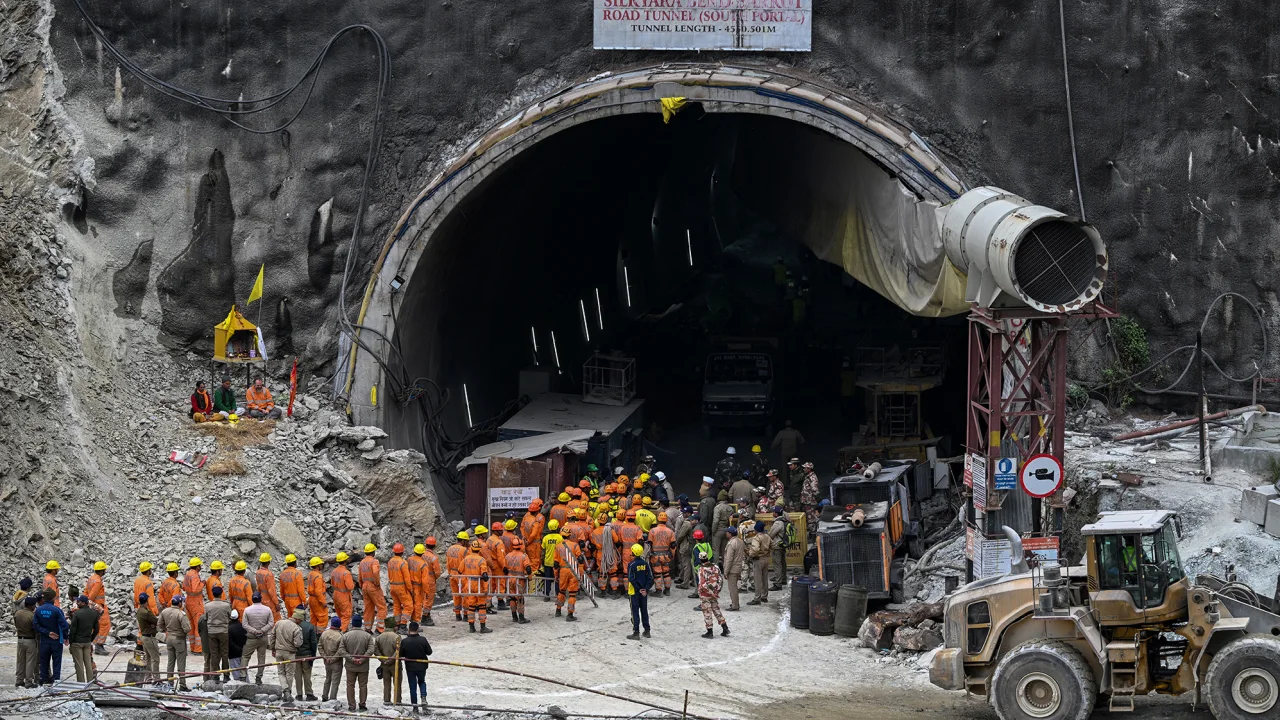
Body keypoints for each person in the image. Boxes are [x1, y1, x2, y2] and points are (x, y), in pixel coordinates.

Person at [340, 615, 376, 712]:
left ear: (352, 623)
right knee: (363, 685)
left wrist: (352, 659)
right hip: (363, 666)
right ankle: (362, 704)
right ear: (361, 624)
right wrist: (362, 659)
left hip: (350, 666)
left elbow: (341, 650)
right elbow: (371, 649)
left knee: (350, 685)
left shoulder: (346, 636)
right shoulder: (367, 636)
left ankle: (352, 705)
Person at [268, 604, 303, 704]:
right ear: (298, 619)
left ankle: (285, 690)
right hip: (290, 654)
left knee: (280, 672)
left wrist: (272, 649)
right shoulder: (296, 628)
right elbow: (297, 644)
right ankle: (288, 692)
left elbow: (272, 636)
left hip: (278, 652)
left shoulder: (279, 623)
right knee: (289, 674)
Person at [34, 589, 69, 685]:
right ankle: (56, 680)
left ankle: (44, 679)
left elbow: (35, 626)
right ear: (53, 598)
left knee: (44, 661)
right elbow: (65, 626)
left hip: (44, 640)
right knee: (56, 661)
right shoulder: (57, 610)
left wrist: (47, 633)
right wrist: (66, 637)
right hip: (56, 640)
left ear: (44, 598)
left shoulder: (38, 610)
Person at [242, 592, 275, 685]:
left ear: (252, 599)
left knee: (245, 657)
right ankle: (258, 678)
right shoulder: (267, 609)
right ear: (261, 599)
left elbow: (244, 624)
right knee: (261, 658)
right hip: (263, 637)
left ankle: (243, 676)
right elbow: (271, 623)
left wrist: (254, 631)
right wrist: (262, 630)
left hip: (251, 638)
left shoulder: (247, 610)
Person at [400, 621, 433, 713]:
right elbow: (429, 652)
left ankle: (415, 706)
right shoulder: (423, 639)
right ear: (417, 629)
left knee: (412, 686)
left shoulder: (405, 641)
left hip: (410, 667)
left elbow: (401, 654)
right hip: (422, 666)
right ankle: (423, 697)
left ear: (409, 629)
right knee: (422, 682)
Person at [160, 595, 192, 690]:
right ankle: (182, 685)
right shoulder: (181, 614)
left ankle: (170, 683)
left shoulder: (165, 611)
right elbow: (187, 629)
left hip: (169, 638)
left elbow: (159, 625)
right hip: (179, 640)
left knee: (170, 662)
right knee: (181, 664)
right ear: (179, 603)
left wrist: (167, 629)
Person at [461, 540, 492, 633]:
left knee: (471, 607)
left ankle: (471, 627)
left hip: (469, 585)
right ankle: (483, 627)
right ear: (479, 549)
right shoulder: (482, 560)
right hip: (479, 586)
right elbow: (484, 575)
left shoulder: (466, 559)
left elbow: (459, 570)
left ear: (471, 548)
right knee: (482, 607)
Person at [696, 552, 729, 639]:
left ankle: (709, 632)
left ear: (700, 559)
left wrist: (710, 592)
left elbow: (703, 584)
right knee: (716, 609)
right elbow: (720, 580)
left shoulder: (701, 569)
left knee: (707, 612)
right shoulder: (716, 567)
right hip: (715, 592)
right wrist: (716, 592)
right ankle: (725, 627)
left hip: (705, 594)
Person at [68, 595, 100, 682]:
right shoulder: (94, 613)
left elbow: (72, 630)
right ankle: (90, 682)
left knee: (79, 665)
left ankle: (81, 684)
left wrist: (71, 642)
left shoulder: (77, 614)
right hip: (87, 642)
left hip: (77, 642)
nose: (77, 603)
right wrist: (90, 639)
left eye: (79, 602)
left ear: (84, 603)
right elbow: (97, 629)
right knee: (88, 664)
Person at [204, 586, 232, 683]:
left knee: (214, 654)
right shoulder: (226, 605)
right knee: (224, 654)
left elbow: (206, 617)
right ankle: (226, 675)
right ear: (221, 594)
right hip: (223, 631)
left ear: (213, 594)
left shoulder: (208, 605)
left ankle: (215, 676)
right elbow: (230, 616)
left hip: (212, 631)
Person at [626, 544, 653, 640]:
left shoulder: (631, 565)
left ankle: (636, 632)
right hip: (644, 593)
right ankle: (647, 630)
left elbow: (631, 579)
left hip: (634, 592)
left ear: (633, 552)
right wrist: (645, 589)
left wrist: (638, 589)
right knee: (644, 611)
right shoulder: (645, 564)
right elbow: (650, 578)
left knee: (635, 611)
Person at [358, 544, 387, 633]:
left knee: (368, 608)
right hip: (373, 586)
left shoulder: (362, 562)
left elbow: (359, 576)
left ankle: (367, 628)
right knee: (382, 607)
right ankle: (379, 628)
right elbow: (375, 572)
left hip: (364, 586)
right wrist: (377, 583)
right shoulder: (374, 561)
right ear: (373, 552)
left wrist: (362, 585)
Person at [83, 561, 110, 655]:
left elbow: (86, 593)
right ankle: (99, 645)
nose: (105, 570)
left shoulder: (91, 579)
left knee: (96, 625)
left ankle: (96, 644)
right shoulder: (98, 581)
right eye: (104, 569)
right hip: (98, 606)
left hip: (94, 606)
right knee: (105, 624)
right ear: (101, 571)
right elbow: (92, 595)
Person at [504, 538, 533, 624]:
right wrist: (530, 577)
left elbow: (505, 569)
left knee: (512, 598)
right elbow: (528, 568)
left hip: (510, 579)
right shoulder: (524, 556)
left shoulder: (508, 555)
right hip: (519, 580)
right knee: (520, 599)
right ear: (521, 546)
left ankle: (514, 617)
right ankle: (521, 617)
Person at [293, 607, 319, 701]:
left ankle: (299, 694)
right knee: (307, 675)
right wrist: (313, 656)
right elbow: (313, 643)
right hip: (307, 655)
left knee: (297, 675)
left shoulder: (293, 626)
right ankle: (309, 694)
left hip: (296, 655)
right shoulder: (310, 626)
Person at [375, 617, 402, 705]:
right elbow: (398, 651)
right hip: (395, 664)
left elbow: (376, 651)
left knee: (386, 684)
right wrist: (391, 659)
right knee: (397, 684)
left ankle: (386, 701)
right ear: (393, 626)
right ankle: (397, 701)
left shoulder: (379, 637)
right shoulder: (397, 637)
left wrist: (383, 660)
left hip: (384, 665)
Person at [182, 558, 206, 654]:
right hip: (196, 603)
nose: (200, 567)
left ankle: (193, 647)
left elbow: (184, 587)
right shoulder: (195, 575)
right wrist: (202, 583)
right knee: (198, 625)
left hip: (189, 601)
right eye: (200, 565)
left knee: (191, 625)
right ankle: (198, 649)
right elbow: (196, 589)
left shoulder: (188, 574)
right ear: (197, 566)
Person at [746, 521, 773, 605]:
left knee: (757, 580)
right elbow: (773, 545)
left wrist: (751, 554)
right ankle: (764, 596)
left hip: (758, 560)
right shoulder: (767, 536)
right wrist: (768, 553)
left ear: (756, 530)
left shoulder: (756, 538)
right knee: (765, 579)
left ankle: (757, 598)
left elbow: (756, 549)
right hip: (766, 559)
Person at [387, 544, 414, 629]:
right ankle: (403, 625)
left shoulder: (390, 562)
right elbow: (407, 578)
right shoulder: (403, 563)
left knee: (396, 606)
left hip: (392, 586)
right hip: (401, 588)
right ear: (402, 552)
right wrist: (410, 590)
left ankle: (397, 624)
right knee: (408, 606)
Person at [136, 593, 160, 684]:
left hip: (143, 637)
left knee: (148, 659)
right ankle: (157, 679)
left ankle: (148, 678)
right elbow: (156, 621)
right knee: (155, 659)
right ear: (146, 601)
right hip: (150, 638)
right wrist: (153, 625)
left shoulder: (139, 611)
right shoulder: (146, 612)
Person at [318, 617, 344, 702]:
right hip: (336, 662)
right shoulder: (340, 636)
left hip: (326, 661)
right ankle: (333, 698)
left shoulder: (324, 634)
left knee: (327, 679)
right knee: (335, 681)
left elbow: (320, 646)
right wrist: (333, 659)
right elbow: (340, 651)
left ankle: (324, 696)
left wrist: (325, 657)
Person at [15, 595, 38, 688]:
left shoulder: (17, 613)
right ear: (31, 606)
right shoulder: (32, 615)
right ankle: (28, 681)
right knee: (30, 661)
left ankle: (19, 680)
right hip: (30, 640)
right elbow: (35, 628)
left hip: (20, 639)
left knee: (21, 661)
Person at [417, 538, 441, 626]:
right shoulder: (434, 558)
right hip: (430, 580)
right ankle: (425, 617)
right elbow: (437, 572)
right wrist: (434, 578)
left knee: (421, 598)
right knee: (428, 599)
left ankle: (420, 615)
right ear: (434, 546)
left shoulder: (421, 554)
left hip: (419, 579)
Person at [446, 533, 470, 620]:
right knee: (465, 594)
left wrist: (450, 573)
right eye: (467, 541)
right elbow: (468, 563)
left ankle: (457, 614)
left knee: (456, 594)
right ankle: (466, 614)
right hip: (462, 574)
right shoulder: (464, 550)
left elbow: (448, 563)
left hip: (452, 574)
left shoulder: (450, 549)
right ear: (463, 541)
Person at [540, 521, 564, 605]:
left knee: (547, 579)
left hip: (547, 562)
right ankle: (558, 595)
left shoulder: (546, 538)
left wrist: (542, 560)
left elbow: (543, 551)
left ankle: (546, 595)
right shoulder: (560, 537)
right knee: (557, 579)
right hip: (557, 562)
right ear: (557, 527)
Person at [722, 527, 746, 611]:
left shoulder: (731, 543)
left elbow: (729, 559)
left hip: (732, 568)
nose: (726, 534)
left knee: (732, 588)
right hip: (738, 566)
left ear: (730, 534)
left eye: (727, 532)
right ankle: (735, 602)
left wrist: (725, 571)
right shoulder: (740, 541)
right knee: (734, 586)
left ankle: (735, 605)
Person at [331, 552, 355, 630]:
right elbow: (350, 587)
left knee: (340, 614)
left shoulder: (334, 571)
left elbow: (332, 583)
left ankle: (340, 628)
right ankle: (342, 631)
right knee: (346, 615)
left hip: (335, 594)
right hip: (343, 595)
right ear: (345, 560)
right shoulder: (346, 573)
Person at [769, 508, 792, 589]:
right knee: (783, 563)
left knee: (777, 565)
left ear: (775, 513)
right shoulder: (784, 521)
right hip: (783, 544)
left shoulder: (778, 523)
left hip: (777, 545)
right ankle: (783, 579)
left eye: (773, 512)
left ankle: (778, 583)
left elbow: (771, 535)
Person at [255, 553, 281, 622]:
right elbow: (271, 591)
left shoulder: (258, 572)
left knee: (265, 619)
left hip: (262, 599)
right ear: (268, 562)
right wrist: (276, 603)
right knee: (275, 619)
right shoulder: (269, 574)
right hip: (269, 601)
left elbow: (258, 587)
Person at [278, 554, 305, 619]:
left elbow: (281, 590)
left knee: (290, 618)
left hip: (287, 601)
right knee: (298, 620)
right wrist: (304, 601)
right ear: (295, 563)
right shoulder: (297, 573)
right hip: (296, 601)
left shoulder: (282, 574)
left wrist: (284, 599)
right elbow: (300, 590)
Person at [306, 557, 329, 628]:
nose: (322, 566)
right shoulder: (318, 576)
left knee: (314, 618)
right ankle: (319, 635)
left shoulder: (311, 574)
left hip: (311, 599)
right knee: (323, 619)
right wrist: (323, 602)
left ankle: (312, 635)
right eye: (320, 564)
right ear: (317, 566)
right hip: (317, 601)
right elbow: (318, 591)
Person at [228, 609, 247, 682]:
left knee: (236, 672)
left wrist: (237, 649)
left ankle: (239, 686)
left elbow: (230, 642)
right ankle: (247, 684)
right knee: (243, 670)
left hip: (233, 654)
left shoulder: (229, 628)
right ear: (238, 617)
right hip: (243, 652)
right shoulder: (243, 627)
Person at [800, 461, 821, 527]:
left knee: (811, 519)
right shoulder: (807, 476)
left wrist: (816, 499)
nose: (803, 469)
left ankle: (813, 534)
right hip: (806, 501)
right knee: (807, 518)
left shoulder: (812, 477)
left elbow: (815, 490)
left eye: (805, 468)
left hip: (810, 502)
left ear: (809, 469)